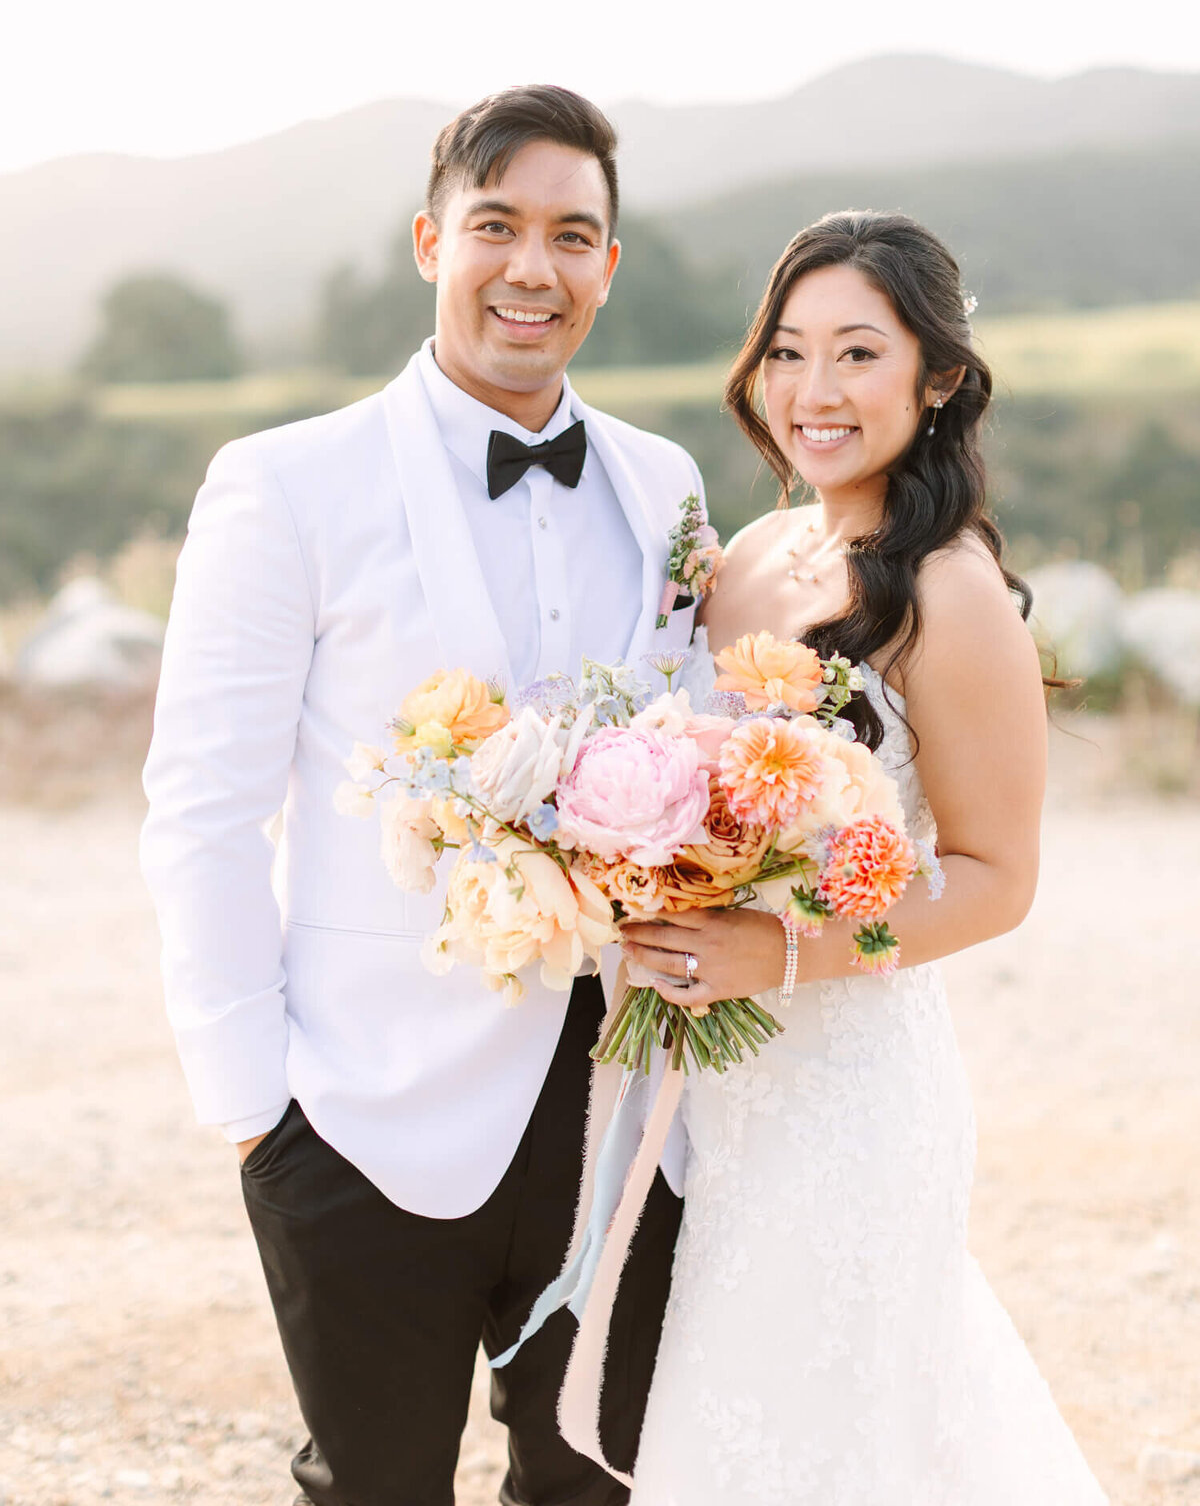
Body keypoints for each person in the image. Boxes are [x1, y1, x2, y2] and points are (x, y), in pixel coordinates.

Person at [140, 85, 699, 1506]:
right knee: (375, 1489)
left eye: (575, 236)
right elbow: (203, 806)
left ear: (610, 267)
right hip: (359, 1112)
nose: (534, 268)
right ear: (429, 240)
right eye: (497, 226)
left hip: (614, 1112)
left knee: (599, 1487)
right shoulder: (284, 485)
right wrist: (257, 1114)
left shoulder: (666, 485)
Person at [617, 211, 1109, 1503]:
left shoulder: (951, 594)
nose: (812, 392)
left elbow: (999, 877)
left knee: (826, 1429)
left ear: (936, 378)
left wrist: (776, 949)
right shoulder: (752, 554)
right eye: (786, 352)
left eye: (855, 354)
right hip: (712, 1091)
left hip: (853, 1097)